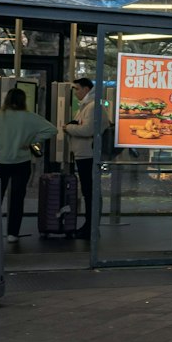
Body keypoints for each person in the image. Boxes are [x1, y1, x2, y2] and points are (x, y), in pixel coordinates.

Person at [0, 87, 55, 244]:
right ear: (23, 100)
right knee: (18, 199)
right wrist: (33, 141)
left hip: (0, 161)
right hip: (21, 162)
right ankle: (13, 234)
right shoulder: (30, 117)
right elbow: (52, 130)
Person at [65, 75, 103, 239]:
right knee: (88, 192)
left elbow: (88, 130)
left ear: (87, 89)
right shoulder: (86, 106)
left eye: (77, 89)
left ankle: (91, 228)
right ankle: (89, 226)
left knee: (90, 192)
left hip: (88, 155)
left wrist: (69, 128)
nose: (75, 93)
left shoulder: (92, 107)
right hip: (85, 154)